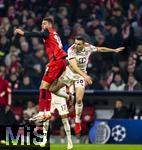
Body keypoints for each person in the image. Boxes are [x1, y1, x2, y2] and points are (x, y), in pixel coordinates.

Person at [51, 36, 125, 135]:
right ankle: (66, 96)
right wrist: (86, 76)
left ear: (84, 44)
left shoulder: (88, 47)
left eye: (79, 44)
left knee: (79, 99)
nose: (76, 45)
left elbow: (100, 49)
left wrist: (114, 50)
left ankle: (77, 121)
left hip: (80, 76)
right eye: (75, 43)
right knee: (53, 89)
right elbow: (74, 66)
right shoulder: (71, 50)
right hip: (70, 73)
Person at [15, 17, 70, 121]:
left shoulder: (48, 31)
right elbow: (57, 48)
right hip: (62, 62)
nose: (42, 26)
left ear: (50, 25)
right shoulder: (55, 34)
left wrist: (24, 33)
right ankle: (48, 112)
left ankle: (41, 112)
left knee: (43, 87)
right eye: (42, 24)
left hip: (57, 62)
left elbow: (40, 34)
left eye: (44, 23)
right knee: (48, 88)